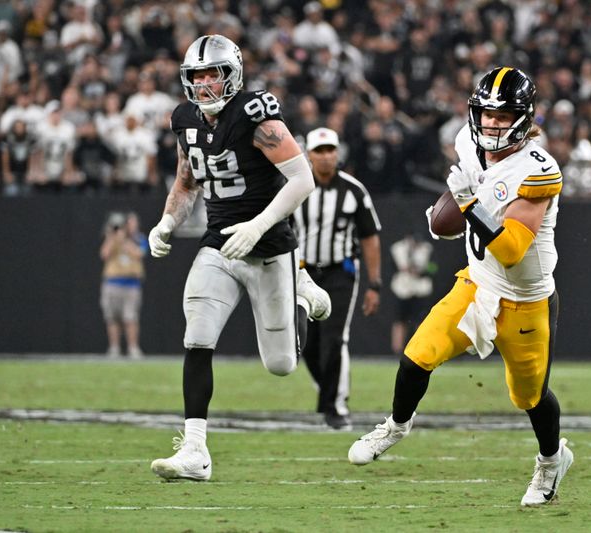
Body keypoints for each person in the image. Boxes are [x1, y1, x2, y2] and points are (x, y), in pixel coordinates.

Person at [348, 67, 574, 507]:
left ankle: (552, 460)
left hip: (527, 301)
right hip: (477, 282)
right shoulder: (468, 143)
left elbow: (510, 249)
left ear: (524, 118)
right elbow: (449, 222)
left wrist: (469, 204)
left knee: (529, 396)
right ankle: (395, 426)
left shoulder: (539, 170)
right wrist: (446, 218)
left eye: (503, 114)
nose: (491, 122)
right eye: (485, 112)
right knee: (417, 356)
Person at [146, 34, 331, 481]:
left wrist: (258, 226)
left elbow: (302, 179)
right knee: (198, 335)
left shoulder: (255, 114)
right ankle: (195, 450)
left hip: (269, 248)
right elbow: (188, 180)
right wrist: (166, 222)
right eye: (197, 75)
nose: (205, 84)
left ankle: (301, 293)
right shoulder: (184, 119)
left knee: (281, 364)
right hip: (220, 244)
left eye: (213, 74)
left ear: (232, 75)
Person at [292, 127, 382, 430]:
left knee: (335, 338)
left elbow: (370, 237)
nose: (326, 156)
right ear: (308, 155)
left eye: (331, 150)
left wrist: (375, 284)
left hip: (340, 272)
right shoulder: (296, 188)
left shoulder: (354, 190)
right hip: (303, 272)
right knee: (306, 342)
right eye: (320, 151)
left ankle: (335, 404)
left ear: (338, 153)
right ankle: (328, 394)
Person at [99, 211, 148, 359]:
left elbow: (139, 254)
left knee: (130, 317)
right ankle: (114, 348)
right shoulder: (111, 239)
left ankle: (133, 348)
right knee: (112, 317)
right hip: (112, 282)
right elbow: (104, 255)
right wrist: (112, 238)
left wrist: (124, 241)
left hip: (131, 284)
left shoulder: (139, 239)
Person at [389, 232, 435, 354]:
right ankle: (397, 350)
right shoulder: (398, 248)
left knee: (420, 320)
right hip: (402, 289)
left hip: (420, 290)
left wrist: (423, 269)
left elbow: (433, 268)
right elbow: (395, 268)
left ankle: (419, 347)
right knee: (400, 320)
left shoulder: (427, 249)